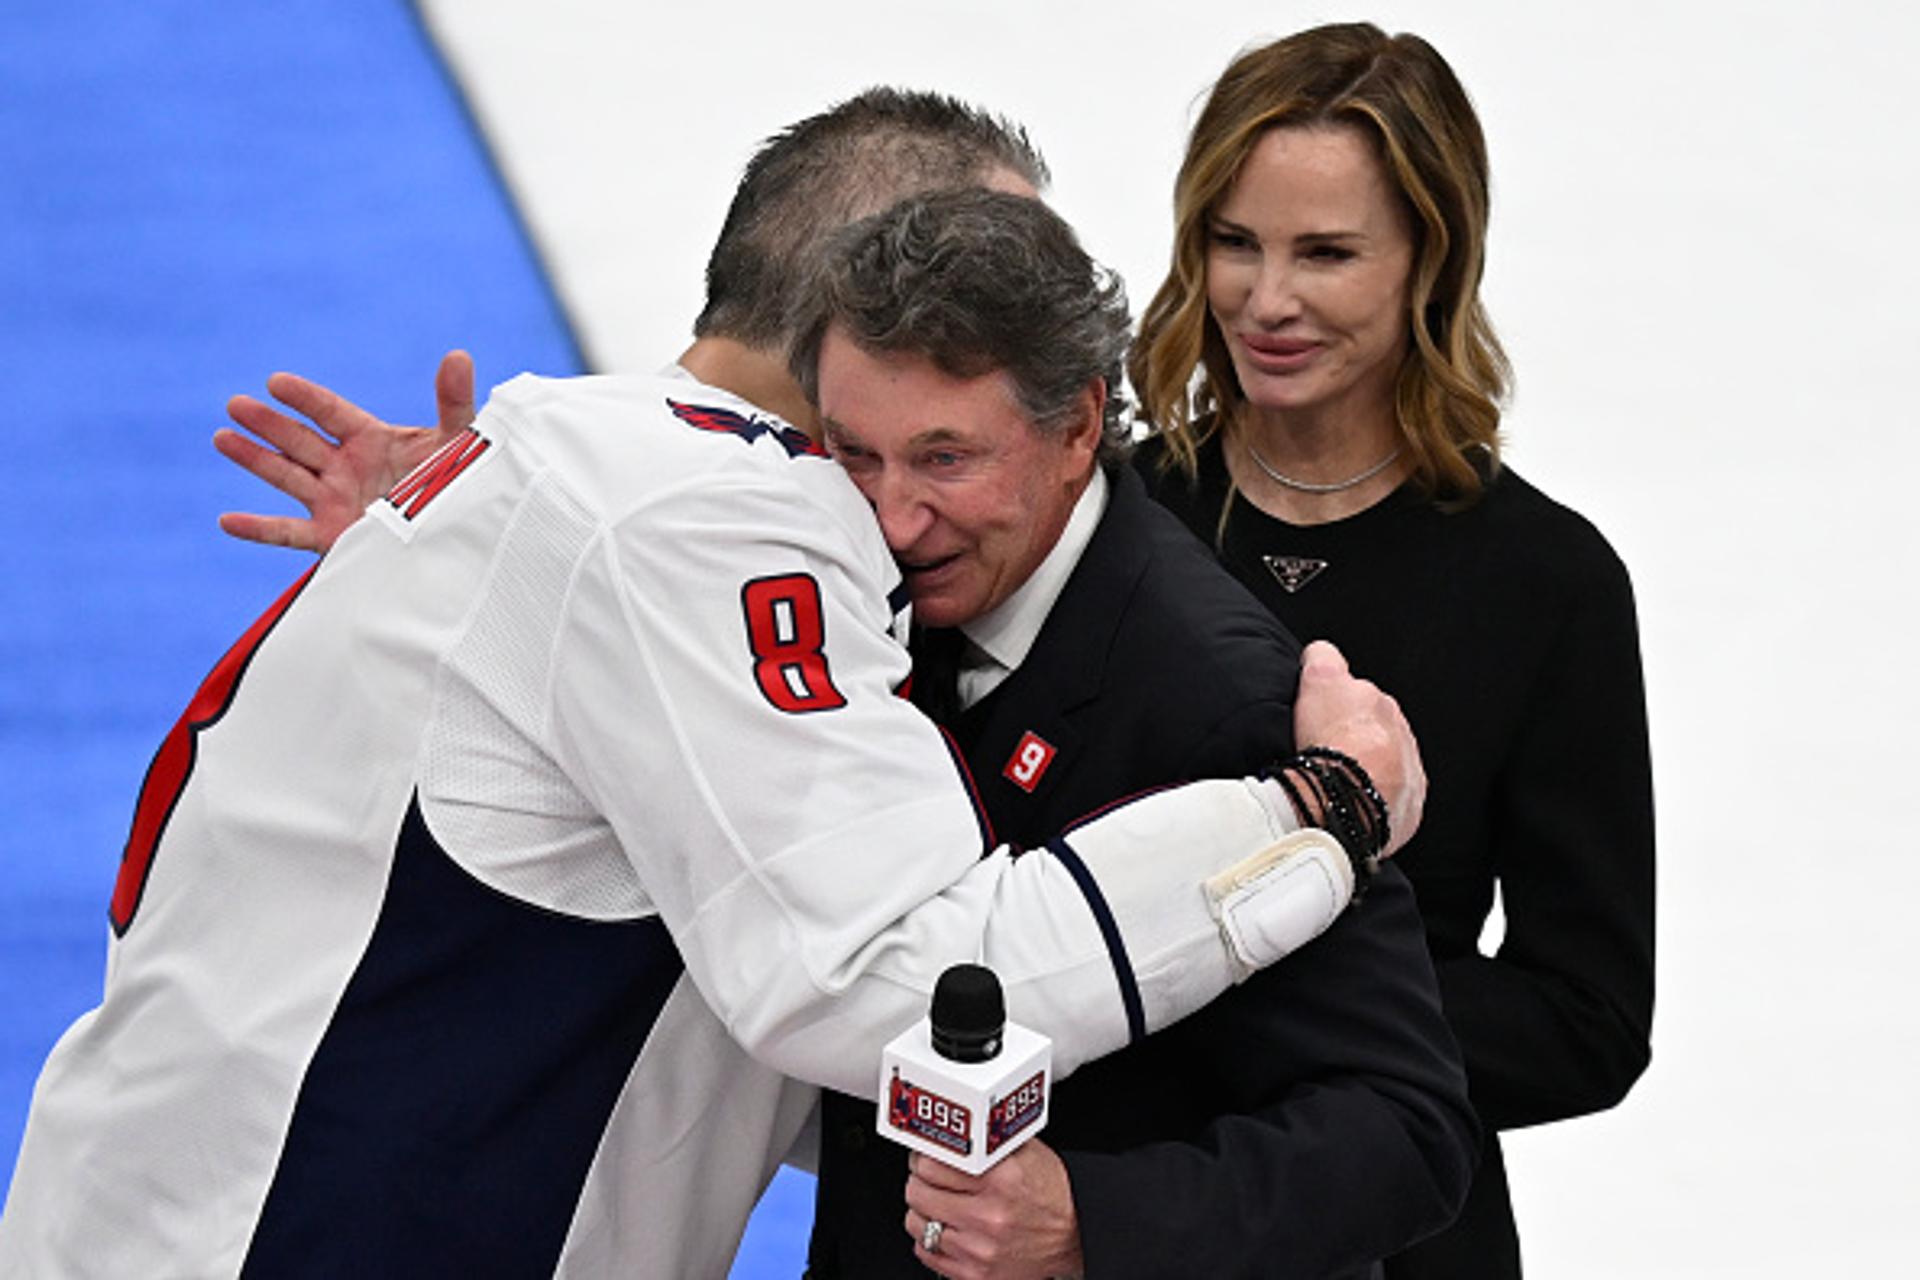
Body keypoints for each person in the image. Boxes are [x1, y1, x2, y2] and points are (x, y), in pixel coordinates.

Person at [0, 90, 1423, 1279]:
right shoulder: (704, 520)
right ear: (868, 291)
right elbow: (901, 990)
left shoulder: (573, 459)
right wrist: (1318, 809)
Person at [794, 188, 1476, 1280]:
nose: (892, 517)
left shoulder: (1221, 699)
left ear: (1076, 426)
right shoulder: (850, 593)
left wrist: (1085, 1221)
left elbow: (1405, 1130)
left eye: (945, 459)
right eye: (855, 454)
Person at [1128, 24, 1656, 1277]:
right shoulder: (1114, 523)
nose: (1265, 299)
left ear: (1431, 258)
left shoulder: (1550, 583)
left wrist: (1241, 989)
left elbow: (1585, 1021)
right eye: (1233, 241)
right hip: (1107, 1208)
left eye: (1326, 253)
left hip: (1395, 1228)